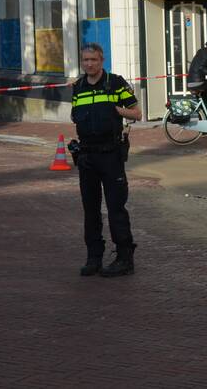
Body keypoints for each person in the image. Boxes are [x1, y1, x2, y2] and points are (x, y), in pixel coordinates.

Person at [70, 43, 142, 278]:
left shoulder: (115, 83)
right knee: (90, 210)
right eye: (85, 60)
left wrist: (116, 110)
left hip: (111, 155)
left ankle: (124, 259)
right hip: (87, 156)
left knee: (115, 209)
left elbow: (137, 113)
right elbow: (76, 117)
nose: (89, 64)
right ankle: (94, 258)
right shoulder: (78, 87)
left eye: (93, 59)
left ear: (102, 60)